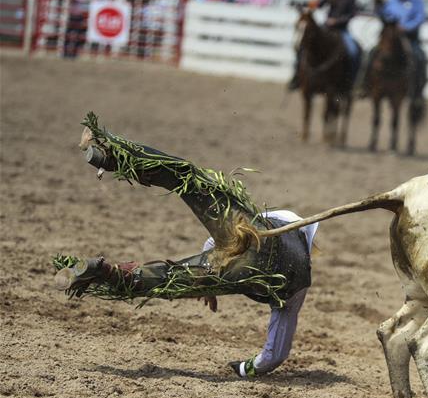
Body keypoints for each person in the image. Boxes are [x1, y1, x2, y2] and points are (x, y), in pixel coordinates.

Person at [54, 113, 318, 379]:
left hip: (243, 234)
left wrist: (209, 274)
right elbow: (275, 355)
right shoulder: (298, 285)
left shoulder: (262, 221)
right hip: (249, 271)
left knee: (186, 177)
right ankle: (104, 272)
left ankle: (112, 156)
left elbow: (216, 243)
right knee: (166, 280)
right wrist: (243, 368)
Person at [287, 0, 360, 91]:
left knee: (354, 51)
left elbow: (351, 14)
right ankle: (297, 76)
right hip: (327, 28)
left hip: (342, 30)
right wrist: (303, 4)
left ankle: (350, 83)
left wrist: (337, 20)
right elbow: (319, 4)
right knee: (303, 47)